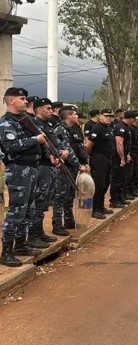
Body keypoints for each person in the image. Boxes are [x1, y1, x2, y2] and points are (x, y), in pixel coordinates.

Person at [0, 87, 47, 267]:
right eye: (22, 98)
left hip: (31, 168)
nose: (26, 101)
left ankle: (20, 244)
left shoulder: (24, 121)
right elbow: (11, 147)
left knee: (28, 210)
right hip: (18, 170)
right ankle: (6, 252)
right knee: (16, 211)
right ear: (11, 100)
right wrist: (36, 140)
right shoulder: (6, 123)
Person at [28, 98, 68, 247]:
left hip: (51, 166)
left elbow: (53, 143)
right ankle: (32, 235)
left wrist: (60, 153)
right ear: (39, 110)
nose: (51, 111)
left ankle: (39, 232)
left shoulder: (47, 124)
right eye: (48, 108)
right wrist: (52, 155)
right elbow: (41, 146)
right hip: (42, 166)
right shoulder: (34, 124)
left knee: (44, 201)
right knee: (38, 201)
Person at [53, 107, 90, 235]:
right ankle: (57, 224)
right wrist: (79, 165)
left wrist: (85, 162)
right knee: (60, 197)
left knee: (69, 196)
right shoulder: (60, 129)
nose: (77, 115)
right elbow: (67, 149)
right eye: (74, 114)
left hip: (74, 167)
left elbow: (81, 147)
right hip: (65, 167)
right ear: (68, 116)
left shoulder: (75, 128)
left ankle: (69, 221)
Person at [86, 109, 115, 218]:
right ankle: (94, 209)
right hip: (99, 158)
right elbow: (89, 146)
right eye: (106, 116)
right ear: (101, 116)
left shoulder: (109, 127)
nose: (109, 118)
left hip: (107, 159)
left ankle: (101, 206)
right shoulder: (97, 128)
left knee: (105, 183)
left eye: (110, 116)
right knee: (98, 184)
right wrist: (91, 157)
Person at [109, 110, 134, 207]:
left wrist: (127, 154)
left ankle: (120, 197)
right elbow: (119, 144)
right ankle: (114, 200)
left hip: (123, 155)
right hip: (117, 157)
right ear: (130, 118)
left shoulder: (126, 127)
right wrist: (122, 158)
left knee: (122, 177)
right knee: (117, 178)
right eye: (133, 119)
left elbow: (126, 144)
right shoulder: (120, 127)